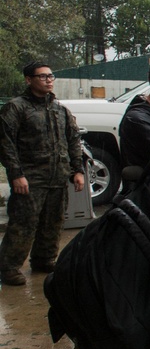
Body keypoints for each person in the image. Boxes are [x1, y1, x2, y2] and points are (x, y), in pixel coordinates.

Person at [0, 61, 86, 286]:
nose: (48, 80)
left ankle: (44, 259)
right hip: (30, 178)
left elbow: (73, 140)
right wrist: (16, 174)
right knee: (23, 223)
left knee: (53, 221)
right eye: (42, 76)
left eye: (51, 76)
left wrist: (77, 170)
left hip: (57, 176)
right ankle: (9, 267)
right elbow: (5, 144)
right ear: (29, 80)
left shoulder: (59, 109)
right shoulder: (16, 108)